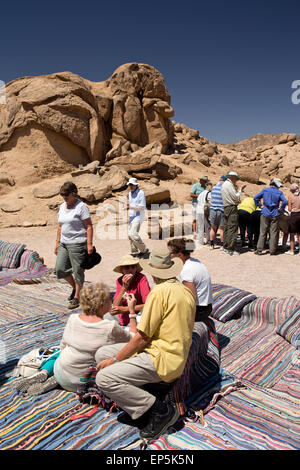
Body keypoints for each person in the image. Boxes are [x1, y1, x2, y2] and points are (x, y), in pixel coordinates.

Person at [95, 250, 196, 441]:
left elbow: (142, 338)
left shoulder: (159, 292)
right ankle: (144, 400)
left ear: (155, 272)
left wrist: (115, 360)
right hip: (173, 354)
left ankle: (161, 411)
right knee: (102, 354)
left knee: (104, 378)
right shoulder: (184, 290)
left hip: (162, 357)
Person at [16, 283, 138, 395]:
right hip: (84, 382)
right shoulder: (109, 327)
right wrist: (132, 311)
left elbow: (63, 345)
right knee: (117, 356)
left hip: (62, 371)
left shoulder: (73, 318)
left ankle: (46, 373)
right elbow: (133, 338)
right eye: (108, 299)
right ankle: (58, 378)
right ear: (102, 304)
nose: (111, 301)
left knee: (61, 352)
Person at [55, 181, 94, 309]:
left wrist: (89, 244)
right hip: (64, 243)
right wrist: (57, 242)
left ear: (73, 193)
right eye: (62, 195)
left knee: (78, 271)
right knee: (60, 269)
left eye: (66, 195)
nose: (64, 197)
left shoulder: (81, 207)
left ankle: (77, 296)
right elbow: (60, 225)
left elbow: (88, 226)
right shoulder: (62, 206)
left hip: (78, 243)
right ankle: (76, 288)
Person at [167, 238, 213, 322]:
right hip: (207, 307)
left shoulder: (186, 270)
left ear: (180, 255)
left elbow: (191, 299)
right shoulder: (194, 261)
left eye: (170, 253)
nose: (168, 255)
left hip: (200, 311)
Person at [110, 254, 151, 326]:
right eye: (126, 267)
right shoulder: (120, 281)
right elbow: (116, 305)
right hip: (124, 317)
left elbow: (148, 305)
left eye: (133, 267)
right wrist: (123, 288)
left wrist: (124, 309)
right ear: (122, 271)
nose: (130, 270)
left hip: (139, 315)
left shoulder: (141, 279)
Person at [254, 178, 288, 256]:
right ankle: (272, 250)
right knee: (273, 233)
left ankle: (259, 250)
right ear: (276, 184)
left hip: (265, 212)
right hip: (275, 213)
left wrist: (259, 205)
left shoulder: (265, 190)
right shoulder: (279, 192)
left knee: (263, 232)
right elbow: (285, 201)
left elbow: (256, 198)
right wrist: (281, 208)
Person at [221, 171, 247, 256]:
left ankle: (225, 246)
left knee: (227, 228)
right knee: (232, 228)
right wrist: (240, 191)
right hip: (231, 207)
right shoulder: (229, 185)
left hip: (226, 207)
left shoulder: (224, 184)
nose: (236, 181)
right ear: (233, 177)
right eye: (236, 179)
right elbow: (235, 198)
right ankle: (230, 249)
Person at [127, 178, 149, 258]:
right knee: (130, 235)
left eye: (132, 184)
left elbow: (142, 207)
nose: (131, 186)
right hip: (132, 216)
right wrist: (129, 207)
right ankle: (134, 252)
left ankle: (144, 250)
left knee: (132, 234)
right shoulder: (130, 193)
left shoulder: (141, 193)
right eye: (130, 184)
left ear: (136, 185)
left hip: (139, 216)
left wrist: (130, 207)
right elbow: (132, 204)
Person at [209, 176, 226, 250]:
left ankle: (212, 244)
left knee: (213, 228)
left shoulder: (214, 188)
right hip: (221, 210)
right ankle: (222, 245)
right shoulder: (224, 189)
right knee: (221, 229)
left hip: (213, 210)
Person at [286, 183, 300, 255]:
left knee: (292, 234)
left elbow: (289, 208)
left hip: (294, 215)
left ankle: (292, 250)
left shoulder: (290, 196)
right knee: (299, 234)